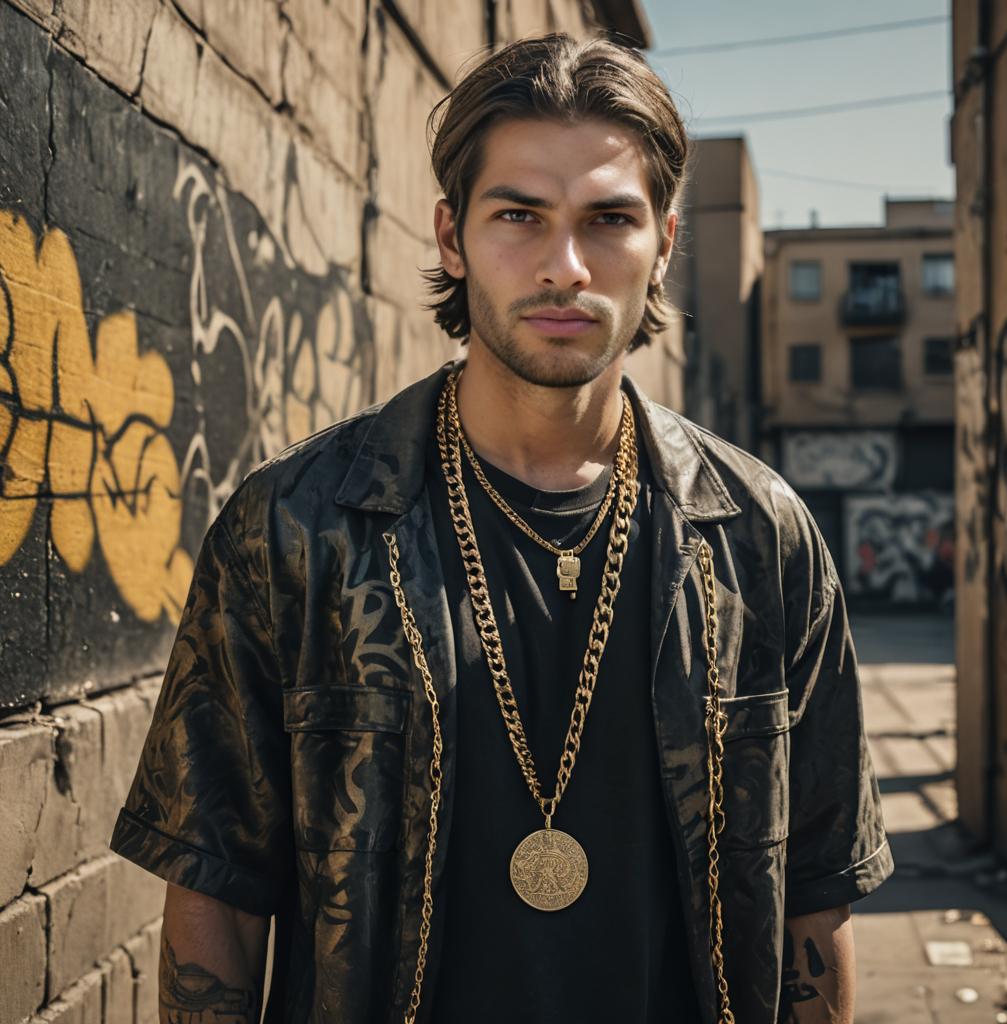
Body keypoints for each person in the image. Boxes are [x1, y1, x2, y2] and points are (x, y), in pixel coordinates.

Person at [110, 33, 892, 1024]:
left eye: (609, 218)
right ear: (451, 234)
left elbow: (816, 900)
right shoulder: (297, 526)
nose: (564, 266)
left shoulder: (759, 536)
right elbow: (216, 897)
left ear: (664, 241)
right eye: (518, 214)